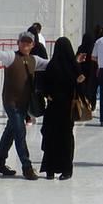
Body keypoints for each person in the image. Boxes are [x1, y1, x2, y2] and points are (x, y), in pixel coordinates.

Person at [0, 32, 48, 180]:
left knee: (10, 133)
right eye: (23, 42)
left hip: (23, 104)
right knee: (20, 133)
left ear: (33, 45)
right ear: (18, 43)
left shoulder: (34, 60)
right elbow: (0, 55)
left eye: (28, 42)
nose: (25, 45)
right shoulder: (11, 57)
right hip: (11, 103)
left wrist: (73, 61)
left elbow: (51, 64)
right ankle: (27, 167)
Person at [39, 36, 84, 180]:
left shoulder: (51, 66)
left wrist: (48, 95)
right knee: (66, 139)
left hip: (53, 108)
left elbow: (43, 86)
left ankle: (50, 169)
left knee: (51, 137)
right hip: (67, 109)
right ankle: (66, 170)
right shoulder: (74, 67)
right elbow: (80, 87)